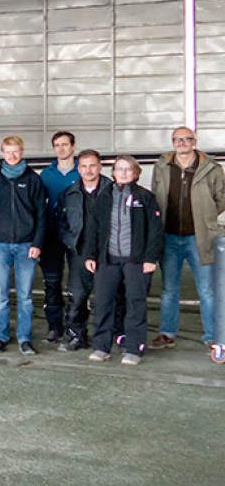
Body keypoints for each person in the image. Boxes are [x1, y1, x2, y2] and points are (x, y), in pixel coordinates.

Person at [82, 156, 164, 365]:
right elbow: (93, 228)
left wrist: (150, 258)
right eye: (120, 169)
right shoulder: (104, 196)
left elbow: (155, 230)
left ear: (136, 173)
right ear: (113, 173)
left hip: (135, 261)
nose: (124, 173)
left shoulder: (145, 197)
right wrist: (91, 255)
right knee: (103, 303)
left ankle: (133, 348)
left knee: (135, 303)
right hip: (107, 260)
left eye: (128, 169)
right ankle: (101, 346)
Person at [151, 127, 225, 357]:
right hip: (169, 236)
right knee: (169, 288)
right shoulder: (162, 166)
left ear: (195, 142)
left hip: (199, 237)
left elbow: (221, 199)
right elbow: (155, 195)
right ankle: (167, 333)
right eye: (177, 139)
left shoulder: (211, 169)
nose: (182, 142)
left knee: (206, 290)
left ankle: (211, 336)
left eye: (186, 139)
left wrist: (206, 218)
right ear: (173, 142)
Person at [0, 135, 47, 356]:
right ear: (2, 153)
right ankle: (0, 336)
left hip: (26, 245)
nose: (12, 155)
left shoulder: (33, 179)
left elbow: (41, 214)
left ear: (22, 151)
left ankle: (25, 338)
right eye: (8, 152)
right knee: (0, 295)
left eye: (16, 151)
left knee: (25, 296)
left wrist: (37, 243)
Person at [56, 149, 114, 351]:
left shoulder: (114, 191)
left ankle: (111, 336)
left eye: (92, 165)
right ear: (78, 169)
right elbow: (61, 223)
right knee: (77, 296)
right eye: (84, 166)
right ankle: (75, 335)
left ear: (100, 167)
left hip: (109, 253)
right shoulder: (69, 194)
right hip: (79, 253)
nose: (88, 170)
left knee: (110, 296)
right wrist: (71, 243)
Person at [39, 131, 79, 343]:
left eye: (65, 144)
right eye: (57, 145)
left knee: (77, 285)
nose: (61, 149)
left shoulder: (83, 172)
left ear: (73, 146)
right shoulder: (46, 175)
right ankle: (54, 326)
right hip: (52, 235)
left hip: (77, 237)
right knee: (52, 283)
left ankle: (75, 327)